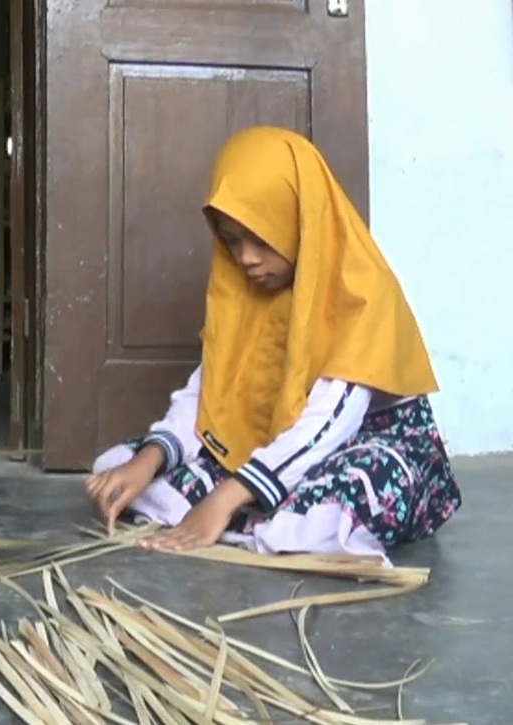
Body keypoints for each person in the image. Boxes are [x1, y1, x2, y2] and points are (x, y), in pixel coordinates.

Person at [85, 126, 462, 560]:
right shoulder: (245, 290)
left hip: (361, 440)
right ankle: (254, 516)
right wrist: (149, 459)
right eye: (231, 241)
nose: (245, 258)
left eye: (262, 239)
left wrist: (222, 500)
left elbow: (328, 423)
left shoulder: (362, 291)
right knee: (115, 470)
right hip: (268, 440)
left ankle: (239, 514)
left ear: (301, 220)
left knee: (346, 502)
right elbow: (209, 395)